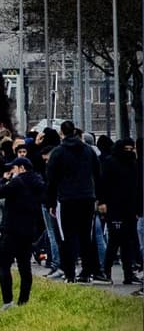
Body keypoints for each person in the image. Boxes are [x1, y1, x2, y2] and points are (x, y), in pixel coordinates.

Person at [45, 120, 107, 283]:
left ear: (62, 133)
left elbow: (51, 179)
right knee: (86, 235)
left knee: (68, 237)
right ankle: (86, 272)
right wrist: (100, 198)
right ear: (74, 132)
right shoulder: (88, 150)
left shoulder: (58, 152)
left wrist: (51, 202)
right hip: (87, 197)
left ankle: (70, 273)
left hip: (67, 199)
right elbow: (98, 175)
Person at [0, 156, 46, 310]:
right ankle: (23, 301)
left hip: (11, 230)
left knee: (3, 264)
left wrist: (3, 179)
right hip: (28, 231)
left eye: (13, 168)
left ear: (21, 168)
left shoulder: (18, 181)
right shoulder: (38, 182)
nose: (11, 171)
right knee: (24, 266)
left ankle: (8, 301)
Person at [100, 139, 141, 285]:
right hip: (114, 207)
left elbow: (136, 186)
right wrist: (103, 202)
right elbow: (103, 183)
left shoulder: (133, 163)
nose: (129, 152)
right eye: (126, 149)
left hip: (129, 208)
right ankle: (106, 271)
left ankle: (128, 274)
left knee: (127, 242)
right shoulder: (110, 162)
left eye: (131, 149)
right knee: (114, 241)